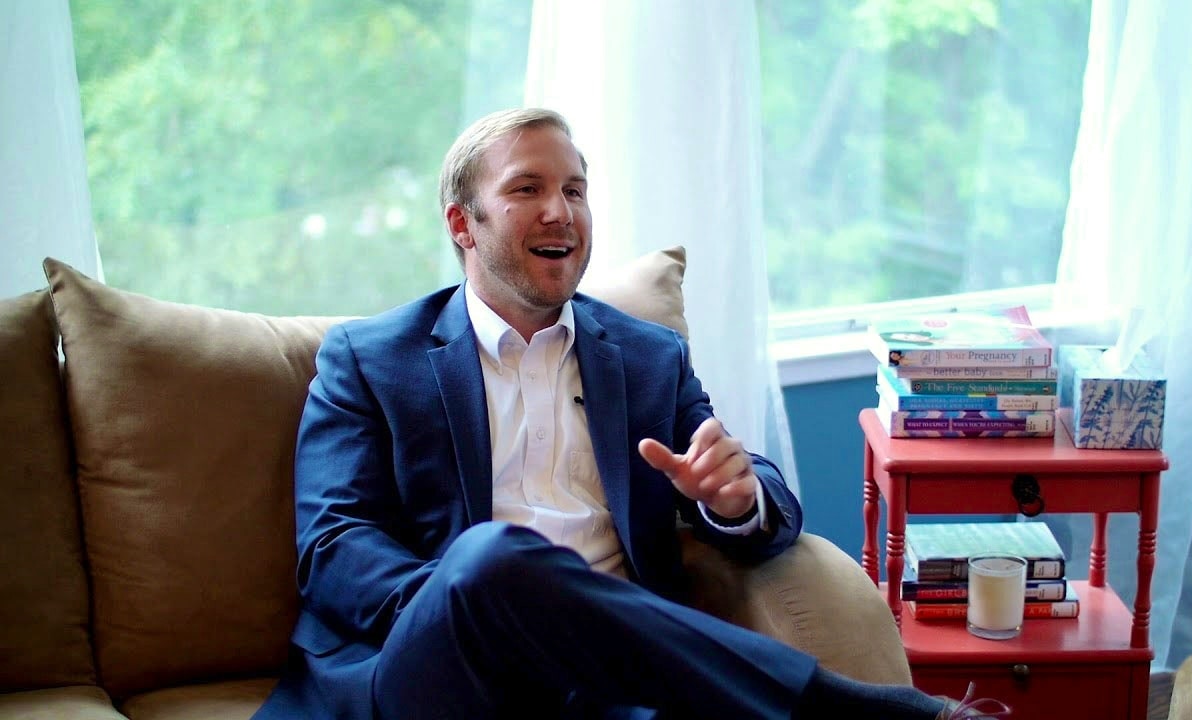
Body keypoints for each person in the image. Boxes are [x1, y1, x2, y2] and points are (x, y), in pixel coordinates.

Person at [252, 108, 1008, 720]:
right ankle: (853, 713)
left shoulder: (647, 358)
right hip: (434, 668)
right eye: (527, 189)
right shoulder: (372, 359)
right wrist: (488, 603)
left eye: (575, 190)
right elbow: (332, 548)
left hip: (606, 677)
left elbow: (763, 498)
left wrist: (737, 500)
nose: (560, 211)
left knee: (507, 572)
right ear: (462, 224)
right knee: (490, 559)